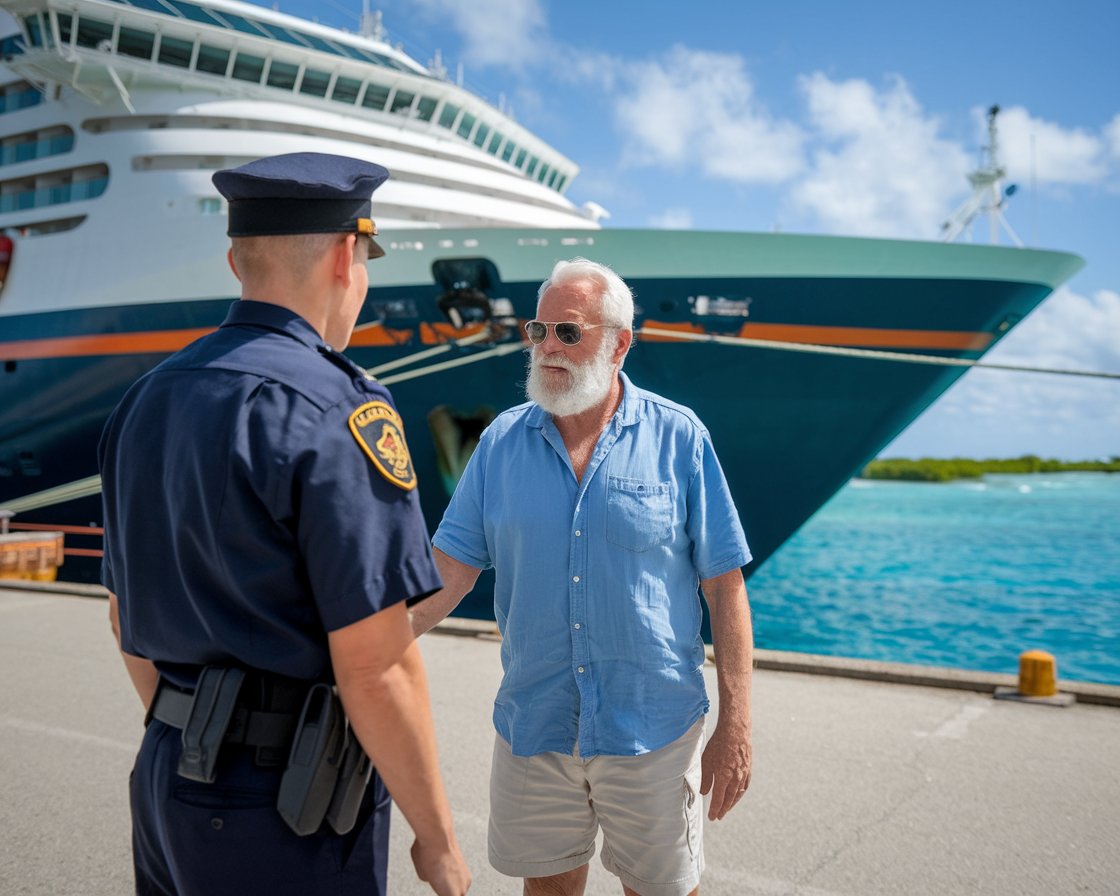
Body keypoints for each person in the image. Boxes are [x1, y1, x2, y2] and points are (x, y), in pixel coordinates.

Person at [99, 152, 471, 896]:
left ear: (237, 259)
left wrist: (202, 734)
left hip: (168, 779)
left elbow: (123, 616)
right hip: (292, 805)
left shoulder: (145, 398)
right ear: (345, 255)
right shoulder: (340, 408)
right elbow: (377, 665)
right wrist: (439, 840)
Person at [411, 258, 754, 896]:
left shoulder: (679, 438)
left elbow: (725, 587)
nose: (547, 347)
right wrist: (366, 643)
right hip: (534, 725)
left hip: (651, 729)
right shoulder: (499, 443)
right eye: (538, 331)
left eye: (568, 333)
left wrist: (736, 726)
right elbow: (449, 572)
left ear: (619, 343)